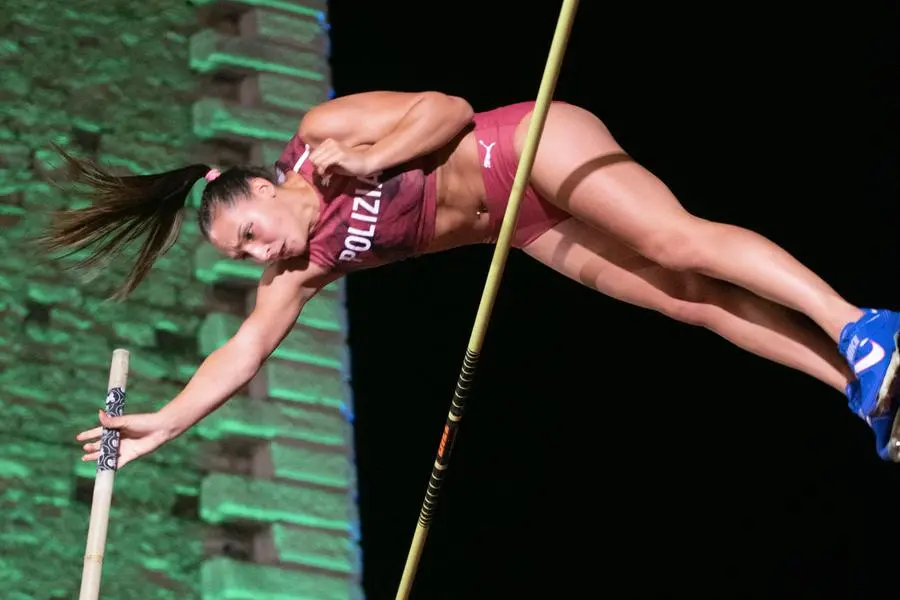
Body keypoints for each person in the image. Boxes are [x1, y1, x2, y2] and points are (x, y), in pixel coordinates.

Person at [43, 91, 900, 465]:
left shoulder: (320, 135)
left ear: (268, 188)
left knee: (677, 247)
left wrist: (368, 155)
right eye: (242, 257)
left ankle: (861, 322)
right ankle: (861, 386)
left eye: (252, 234)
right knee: (693, 305)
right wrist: (170, 422)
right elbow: (242, 354)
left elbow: (447, 110)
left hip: (524, 147)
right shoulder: (305, 269)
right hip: (524, 228)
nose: (259, 255)